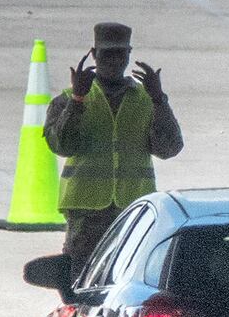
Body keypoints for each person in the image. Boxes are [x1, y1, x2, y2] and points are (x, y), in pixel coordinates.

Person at [41, 21, 183, 268]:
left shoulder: (146, 99)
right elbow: (61, 145)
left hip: (133, 209)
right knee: (80, 277)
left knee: (128, 274)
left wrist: (159, 100)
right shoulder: (66, 99)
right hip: (86, 213)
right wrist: (77, 100)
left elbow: (169, 148)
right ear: (94, 54)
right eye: (107, 54)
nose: (114, 61)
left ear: (129, 54)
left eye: (120, 53)